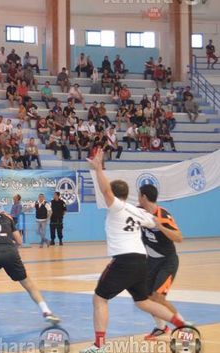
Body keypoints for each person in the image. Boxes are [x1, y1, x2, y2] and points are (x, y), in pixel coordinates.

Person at [80, 150, 191, 353]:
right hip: (142, 262)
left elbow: (106, 192)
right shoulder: (138, 211)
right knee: (143, 302)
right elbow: (154, 220)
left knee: (99, 299)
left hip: (125, 261)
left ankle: (99, 346)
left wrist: (98, 169)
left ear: (115, 196)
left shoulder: (117, 207)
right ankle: (181, 326)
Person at [0, 198, 60, 325]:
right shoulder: (7, 218)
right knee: (28, 283)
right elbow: (19, 241)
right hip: (11, 252)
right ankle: (47, 311)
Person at [138, 184, 186, 340]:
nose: (138, 197)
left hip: (168, 261)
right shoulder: (140, 212)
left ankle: (184, 327)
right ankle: (161, 328)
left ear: (144, 196)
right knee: (146, 298)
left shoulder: (163, 215)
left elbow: (179, 238)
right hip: (151, 262)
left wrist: (160, 227)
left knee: (158, 298)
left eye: (139, 195)